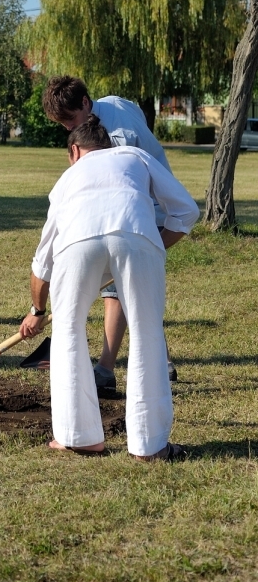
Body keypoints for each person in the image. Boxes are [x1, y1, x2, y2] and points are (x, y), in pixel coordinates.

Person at [20, 115, 199, 459]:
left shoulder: (67, 179)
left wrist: (37, 310)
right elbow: (186, 211)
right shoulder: (135, 155)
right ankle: (150, 446)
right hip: (137, 234)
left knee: (68, 332)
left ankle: (79, 436)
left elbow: (42, 264)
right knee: (147, 333)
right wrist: (149, 245)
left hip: (76, 245)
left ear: (74, 150)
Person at [42, 75, 177, 388]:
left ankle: (105, 370)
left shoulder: (117, 138)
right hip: (140, 207)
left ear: (86, 104)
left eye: (71, 119)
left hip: (144, 209)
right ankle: (164, 360)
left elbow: (117, 184)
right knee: (135, 285)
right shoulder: (115, 102)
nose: (67, 128)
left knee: (117, 288)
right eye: (61, 123)